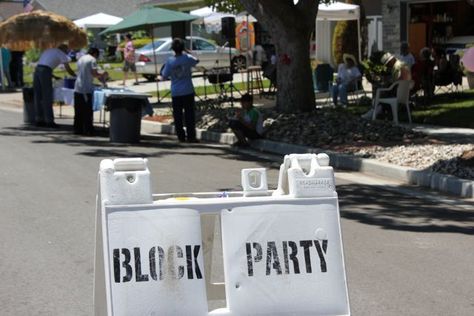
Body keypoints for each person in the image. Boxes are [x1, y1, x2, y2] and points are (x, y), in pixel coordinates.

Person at [160, 37, 199, 143]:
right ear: (183, 47)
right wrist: (187, 51)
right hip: (187, 90)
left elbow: (164, 75)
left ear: (172, 48)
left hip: (176, 91)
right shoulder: (187, 58)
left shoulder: (170, 61)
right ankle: (191, 136)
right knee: (189, 114)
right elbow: (196, 61)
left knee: (177, 115)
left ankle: (181, 136)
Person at [33, 44, 76, 128]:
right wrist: (76, 76)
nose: (67, 52)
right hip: (45, 71)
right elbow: (68, 69)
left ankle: (39, 119)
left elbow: (44, 65)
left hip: (37, 70)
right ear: (64, 49)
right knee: (47, 96)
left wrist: (53, 76)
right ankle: (49, 121)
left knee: (38, 96)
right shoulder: (61, 53)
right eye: (67, 50)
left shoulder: (50, 50)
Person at [74, 47, 108, 136]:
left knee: (78, 110)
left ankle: (77, 129)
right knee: (87, 110)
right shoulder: (92, 60)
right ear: (95, 54)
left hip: (78, 86)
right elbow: (94, 73)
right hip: (86, 88)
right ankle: (88, 129)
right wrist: (102, 74)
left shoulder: (81, 58)